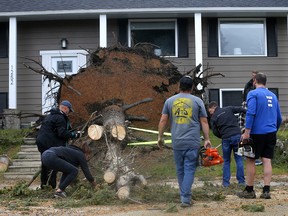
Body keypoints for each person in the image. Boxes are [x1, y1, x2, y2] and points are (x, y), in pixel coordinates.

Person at [157, 75, 211, 208]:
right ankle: (185, 197)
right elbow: (204, 121)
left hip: (177, 141)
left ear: (179, 86)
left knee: (180, 169)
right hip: (192, 141)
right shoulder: (197, 101)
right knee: (189, 168)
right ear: (192, 87)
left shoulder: (169, 101)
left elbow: (163, 120)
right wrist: (207, 138)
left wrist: (160, 137)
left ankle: (184, 196)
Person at [237, 72, 282, 199]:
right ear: (265, 82)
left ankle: (250, 190)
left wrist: (246, 133)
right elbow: (279, 117)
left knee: (251, 160)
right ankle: (266, 190)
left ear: (255, 81)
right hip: (270, 132)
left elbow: (251, 113)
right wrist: (274, 129)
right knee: (267, 160)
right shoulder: (273, 95)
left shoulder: (253, 94)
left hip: (256, 133)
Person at [36, 100, 82, 189]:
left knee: (45, 164)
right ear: (65, 108)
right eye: (69, 110)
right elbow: (61, 133)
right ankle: (52, 185)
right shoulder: (60, 118)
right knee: (54, 164)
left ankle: (44, 185)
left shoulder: (51, 116)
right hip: (49, 143)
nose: (69, 113)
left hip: (42, 142)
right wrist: (74, 135)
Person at [208, 101, 246, 187]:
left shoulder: (214, 118)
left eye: (210, 111)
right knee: (239, 159)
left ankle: (225, 183)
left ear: (213, 107)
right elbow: (241, 109)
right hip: (237, 136)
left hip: (226, 139)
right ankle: (241, 182)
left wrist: (222, 136)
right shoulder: (228, 109)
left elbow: (215, 132)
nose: (210, 113)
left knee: (226, 161)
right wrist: (249, 114)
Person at [241, 71, 263, 166]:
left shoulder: (258, 86)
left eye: (255, 76)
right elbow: (245, 94)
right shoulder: (249, 85)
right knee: (246, 134)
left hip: (255, 106)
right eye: (252, 76)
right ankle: (248, 155)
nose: (253, 78)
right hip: (248, 104)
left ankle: (255, 157)